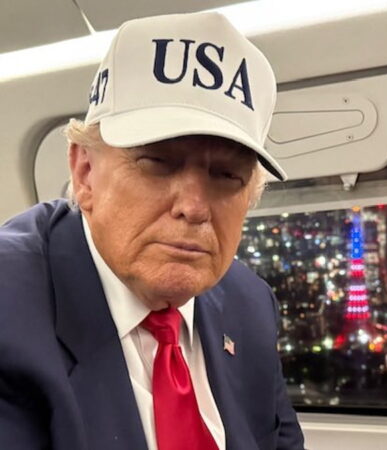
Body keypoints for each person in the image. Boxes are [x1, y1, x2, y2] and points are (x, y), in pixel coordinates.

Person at [0, 11, 304, 450]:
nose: (194, 208)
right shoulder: (11, 311)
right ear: (85, 173)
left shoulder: (250, 304)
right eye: (157, 163)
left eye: (227, 175)